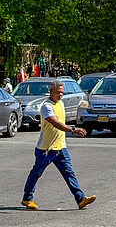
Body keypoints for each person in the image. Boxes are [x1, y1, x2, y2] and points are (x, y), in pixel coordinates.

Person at [21, 80, 96, 211]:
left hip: (60, 148)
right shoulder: (46, 106)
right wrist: (73, 130)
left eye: (62, 93)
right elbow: (55, 123)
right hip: (46, 149)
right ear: (51, 91)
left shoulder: (61, 104)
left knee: (69, 174)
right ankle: (27, 198)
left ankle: (81, 199)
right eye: (58, 93)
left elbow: (60, 122)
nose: (60, 95)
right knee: (36, 174)